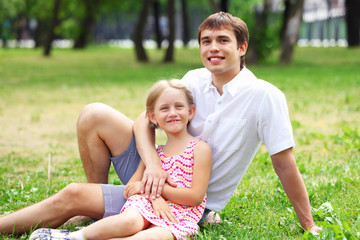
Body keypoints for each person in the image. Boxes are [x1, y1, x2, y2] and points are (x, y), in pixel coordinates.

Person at [0, 11, 321, 236]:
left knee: (69, 195)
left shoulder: (265, 96)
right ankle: (94, 202)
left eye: (222, 40)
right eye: (206, 41)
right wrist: (152, 164)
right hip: (156, 169)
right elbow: (145, 120)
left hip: (184, 197)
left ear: (242, 48)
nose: (213, 48)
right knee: (93, 113)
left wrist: (308, 225)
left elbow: (284, 163)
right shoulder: (194, 80)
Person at [28, 80, 212, 240]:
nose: (172, 113)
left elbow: (195, 197)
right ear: (152, 117)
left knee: (153, 236)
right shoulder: (155, 154)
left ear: (191, 111)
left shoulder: (199, 149)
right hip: (145, 206)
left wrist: (152, 190)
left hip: (179, 215)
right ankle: (75, 236)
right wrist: (154, 198)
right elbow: (131, 189)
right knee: (130, 222)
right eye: (164, 108)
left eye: (179, 106)